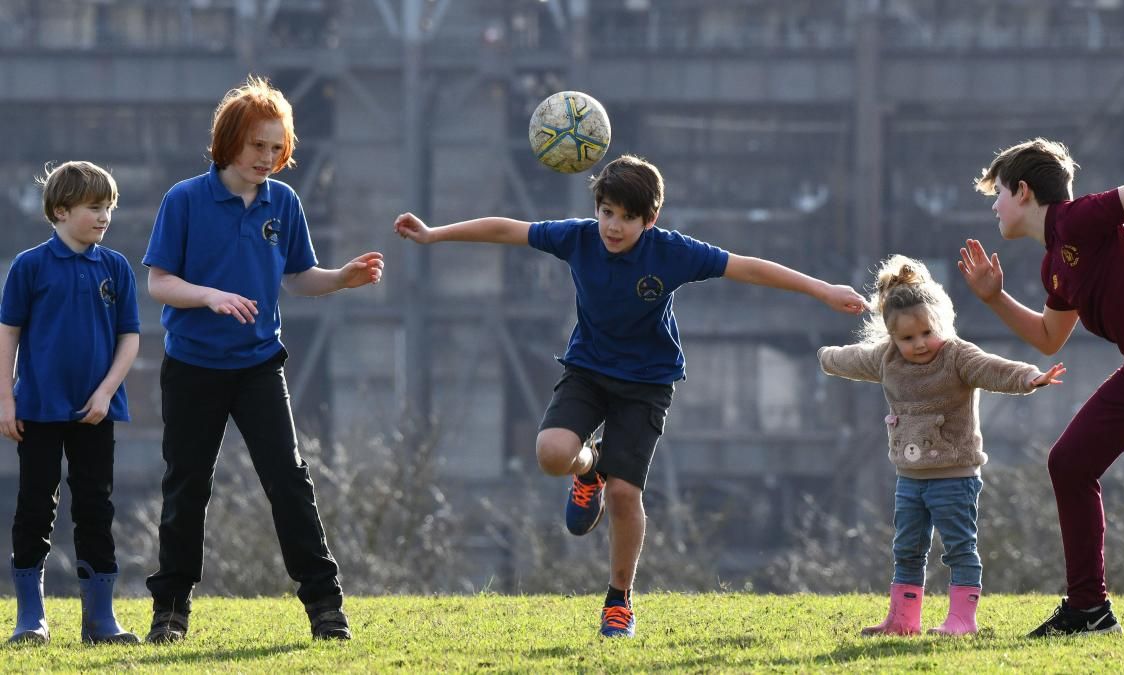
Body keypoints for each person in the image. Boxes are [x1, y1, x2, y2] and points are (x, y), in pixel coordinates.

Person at [393, 153, 867, 638]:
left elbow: (749, 268)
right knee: (552, 454)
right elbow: (506, 229)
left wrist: (823, 290)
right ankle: (589, 468)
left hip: (646, 383)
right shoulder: (577, 238)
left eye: (627, 217)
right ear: (596, 208)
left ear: (650, 219)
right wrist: (434, 234)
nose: (614, 226)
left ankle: (619, 600)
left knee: (624, 493)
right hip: (588, 370)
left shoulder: (672, 253)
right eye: (607, 212)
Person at [141, 76, 383, 643]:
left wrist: (341, 279)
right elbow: (158, 282)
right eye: (257, 146)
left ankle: (326, 609)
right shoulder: (185, 200)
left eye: (277, 148)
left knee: (290, 480)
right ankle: (170, 612)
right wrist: (209, 296)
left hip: (258, 365)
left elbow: (297, 277)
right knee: (186, 487)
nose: (267, 158)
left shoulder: (285, 202)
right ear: (229, 141)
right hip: (193, 366)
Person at [960, 137, 1124, 637]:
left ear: (1023, 191)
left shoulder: (1078, 218)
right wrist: (994, 298)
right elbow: (1049, 338)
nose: (995, 207)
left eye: (998, 193)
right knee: (1069, 462)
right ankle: (1088, 610)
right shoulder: (1054, 264)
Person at [818, 254, 1065, 636]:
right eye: (907, 338)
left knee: (959, 547)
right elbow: (852, 358)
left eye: (926, 333)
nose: (919, 344)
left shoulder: (956, 355)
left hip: (955, 474)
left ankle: (962, 620)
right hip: (910, 477)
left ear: (941, 322)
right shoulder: (886, 358)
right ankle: (903, 619)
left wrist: (1030, 377)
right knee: (907, 548)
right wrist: (825, 357)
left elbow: (993, 368)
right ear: (892, 337)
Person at [0, 161, 140, 644]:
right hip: (37, 409)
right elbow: (8, 334)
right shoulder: (29, 266)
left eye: (109, 208)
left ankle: (100, 620)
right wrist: (6, 399)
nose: (104, 217)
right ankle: (30, 619)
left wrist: (105, 392)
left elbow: (129, 338)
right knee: (34, 507)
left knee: (96, 508)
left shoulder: (116, 267)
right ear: (60, 211)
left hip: (95, 412)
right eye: (94, 207)